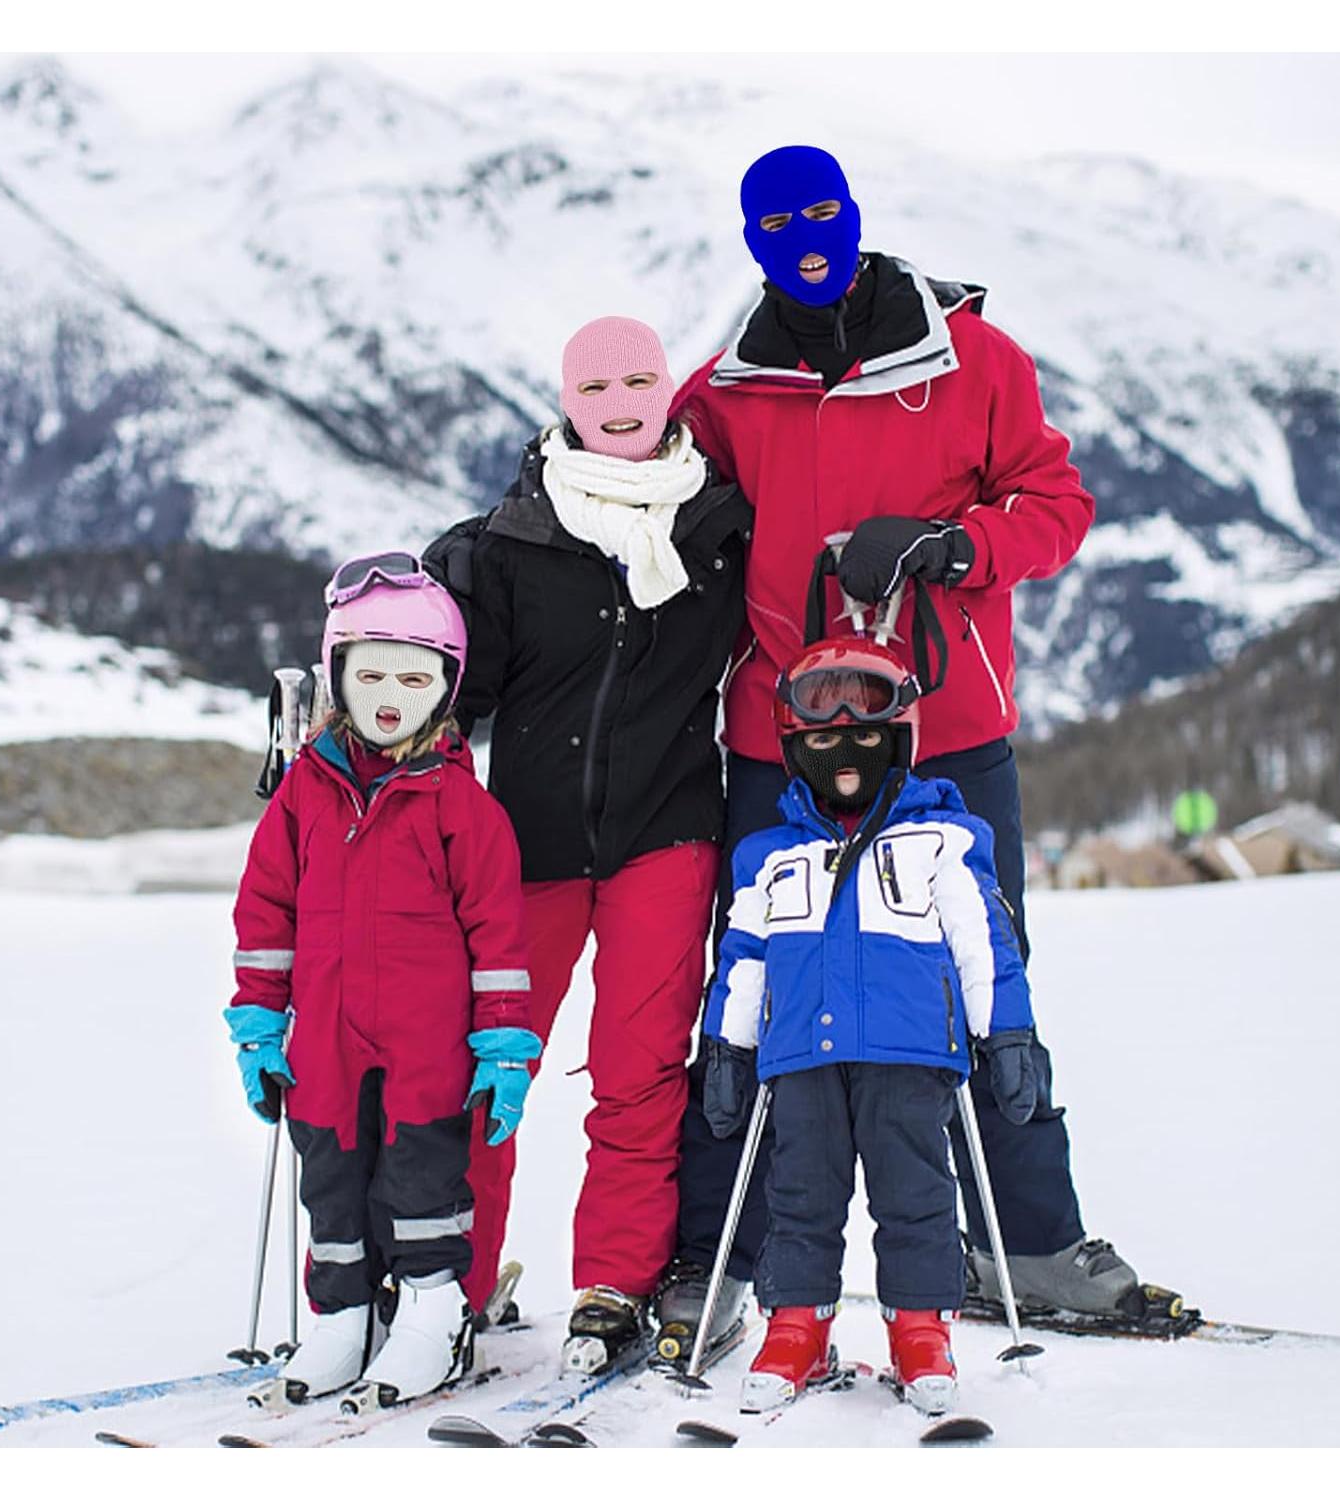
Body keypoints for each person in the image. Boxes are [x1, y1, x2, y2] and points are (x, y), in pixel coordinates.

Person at [657, 142, 1152, 1350]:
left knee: (984, 976)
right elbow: (642, 504)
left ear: (856, 214)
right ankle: (725, 1256)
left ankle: (1025, 1242)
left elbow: (1057, 505)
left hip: (946, 730)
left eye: (823, 211)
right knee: (762, 984)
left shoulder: (973, 358)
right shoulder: (721, 393)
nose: (807, 235)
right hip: (782, 733)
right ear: (752, 239)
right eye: (778, 221)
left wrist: (953, 547)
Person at [425, 315, 751, 1373]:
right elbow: (445, 701)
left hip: (668, 831)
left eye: (639, 379)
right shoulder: (508, 542)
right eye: (596, 384)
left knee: (640, 1072)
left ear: (669, 388)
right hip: (529, 842)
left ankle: (614, 1281)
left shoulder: (720, 527)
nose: (619, 400)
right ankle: (453, 1283)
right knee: (490, 1066)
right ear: (567, 399)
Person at [225, 553, 541, 1406]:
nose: (390, 691)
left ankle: (433, 1313)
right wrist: (259, 1024)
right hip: (324, 1034)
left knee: (420, 1177)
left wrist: (506, 1043)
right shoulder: (303, 795)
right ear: (338, 677)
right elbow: (265, 916)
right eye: (370, 673)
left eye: (413, 674)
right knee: (329, 1172)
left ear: (447, 686)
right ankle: (342, 1316)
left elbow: (500, 939)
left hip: (425, 1041)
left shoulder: (459, 807)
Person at [703, 634, 1036, 1416]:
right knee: (799, 1196)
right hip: (799, 1060)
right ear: (793, 746)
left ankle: (920, 1326)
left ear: (901, 741)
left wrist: (1009, 1034)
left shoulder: (945, 840)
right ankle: (797, 1326)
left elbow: (986, 946)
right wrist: (727, 1046)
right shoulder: (768, 856)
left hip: (910, 1050)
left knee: (916, 1193)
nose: (844, 751)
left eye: (865, 735)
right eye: (821, 737)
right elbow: (743, 956)